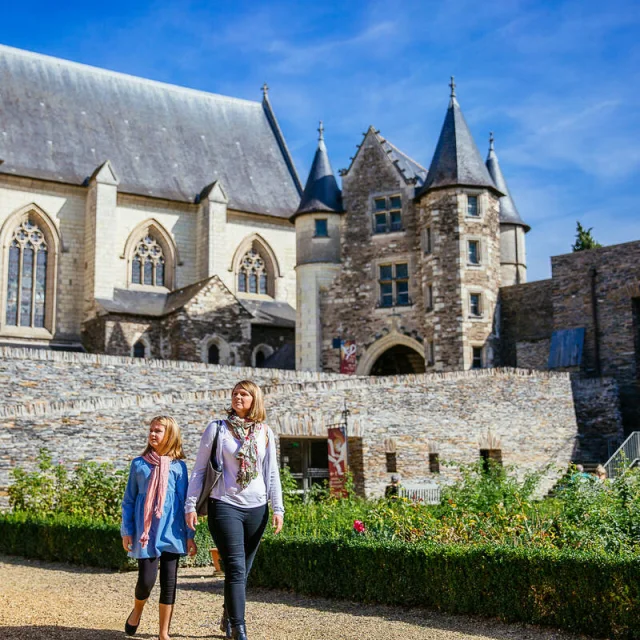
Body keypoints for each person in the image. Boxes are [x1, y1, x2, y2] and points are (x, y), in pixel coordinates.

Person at [185, 380, 284, 640]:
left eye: (244, 394)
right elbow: (198, 470)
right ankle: (238, 628)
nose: (237, 397)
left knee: (242, 570)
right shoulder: (217, 429)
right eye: (235, 394)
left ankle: (228, 615)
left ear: (254, 400)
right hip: (225, 505)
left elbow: (271, 472)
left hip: (257, 509)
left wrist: (278, 508)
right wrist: (190, 505)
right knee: (236, 568)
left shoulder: (264, 432)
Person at [121, 416, 197, 640]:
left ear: (170, 435)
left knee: (169, 583)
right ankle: (138, 609)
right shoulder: (139, 465)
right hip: (147, 533)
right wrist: (127, 530)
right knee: (146, 581)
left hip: (172, 532)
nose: (153, 434)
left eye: (158, 431)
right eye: (151, 430)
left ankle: (164, 633)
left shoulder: (179, 468)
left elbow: (185, 503)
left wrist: (190, 536)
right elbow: (129, 500)